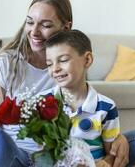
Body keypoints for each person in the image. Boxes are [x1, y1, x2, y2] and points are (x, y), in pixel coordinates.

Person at [0, 0, 135, 167]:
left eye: (45, 25)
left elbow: (87, 111)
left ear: (66, 27)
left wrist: (117, 138)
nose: (34, 32)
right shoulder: (4, 62)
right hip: (19, 155)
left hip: (68, 154)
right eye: (30, 22)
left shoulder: (73, 59)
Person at [45, 29, 120, 166]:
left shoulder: (106, 107)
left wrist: (104, 163)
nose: (55, 69)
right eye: (49, 64)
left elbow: (112, 154)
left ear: (87, 60)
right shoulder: (42, 103)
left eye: (63, 60)